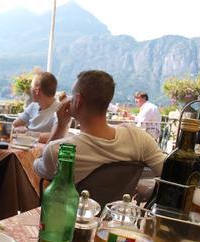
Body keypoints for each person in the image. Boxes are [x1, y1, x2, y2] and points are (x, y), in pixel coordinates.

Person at [34, 70, 165, 183]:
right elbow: (168, 174)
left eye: (72, 96)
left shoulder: (58, 151)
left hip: (71, 211)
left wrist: (61, 126)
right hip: (113, 211)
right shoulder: (138, 138)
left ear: (78, 100)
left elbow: (38, 166)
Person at [12, 71, 60, 143]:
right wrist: (16, 130)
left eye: (31, 87)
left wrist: (27, 134)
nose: (30, 90)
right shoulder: (33, 106)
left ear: (37, 90)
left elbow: (54, 136)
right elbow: (14, 125)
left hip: (44, 152)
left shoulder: (59, 110)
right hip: (28, 147)